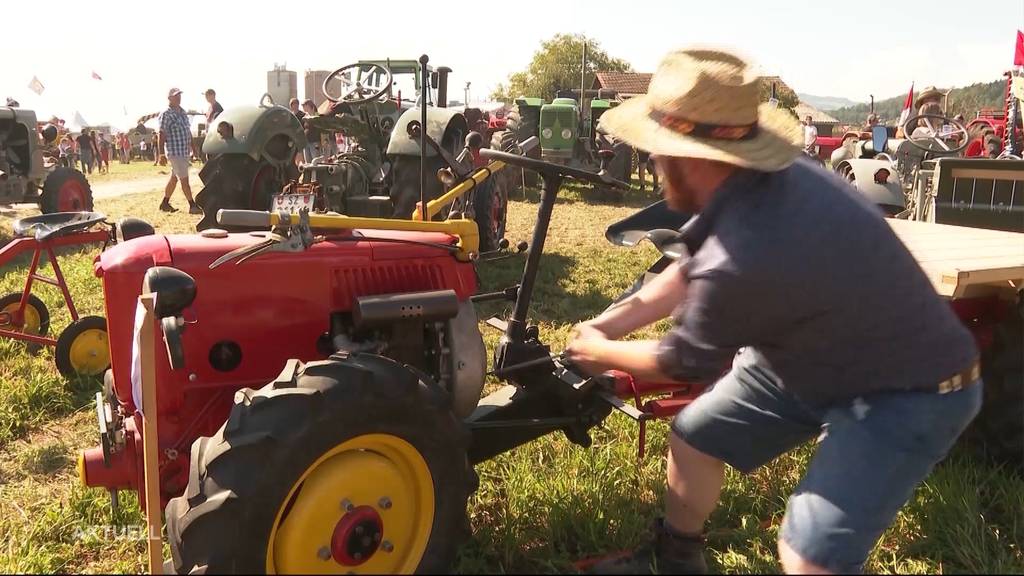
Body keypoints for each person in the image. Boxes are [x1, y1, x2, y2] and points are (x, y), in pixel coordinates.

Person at [570, 47, 981, 575]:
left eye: (656, 149)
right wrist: (609, 323)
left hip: (911, 390)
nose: (651, 159)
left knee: (811, 555)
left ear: (688, 157)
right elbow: (685, 270)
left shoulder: (746, 253)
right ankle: (675, 562)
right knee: (696, 437)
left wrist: (597, 350)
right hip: (815, 355)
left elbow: (678, 362)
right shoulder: (754, 184)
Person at [158, 87, 200, 214]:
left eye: (179, 95)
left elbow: (188, 132)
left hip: (183, 152)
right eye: (176, 96)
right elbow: (161, 133)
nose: (178, 97)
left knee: (174, 178)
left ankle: (165, 203)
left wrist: (194, 148)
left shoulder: (182, 112)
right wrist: (161, 153)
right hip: (175, 152)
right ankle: (192, 205)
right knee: (184, 180)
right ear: (169, 98)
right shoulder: (166, 114)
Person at [301, 99, 321, 163]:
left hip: (314, 141)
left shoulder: (317, 115)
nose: (304, 107)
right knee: (307, 161)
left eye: (305, 106)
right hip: (306, 142)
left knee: (315, 160)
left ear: (309, 106)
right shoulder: (305, 116)